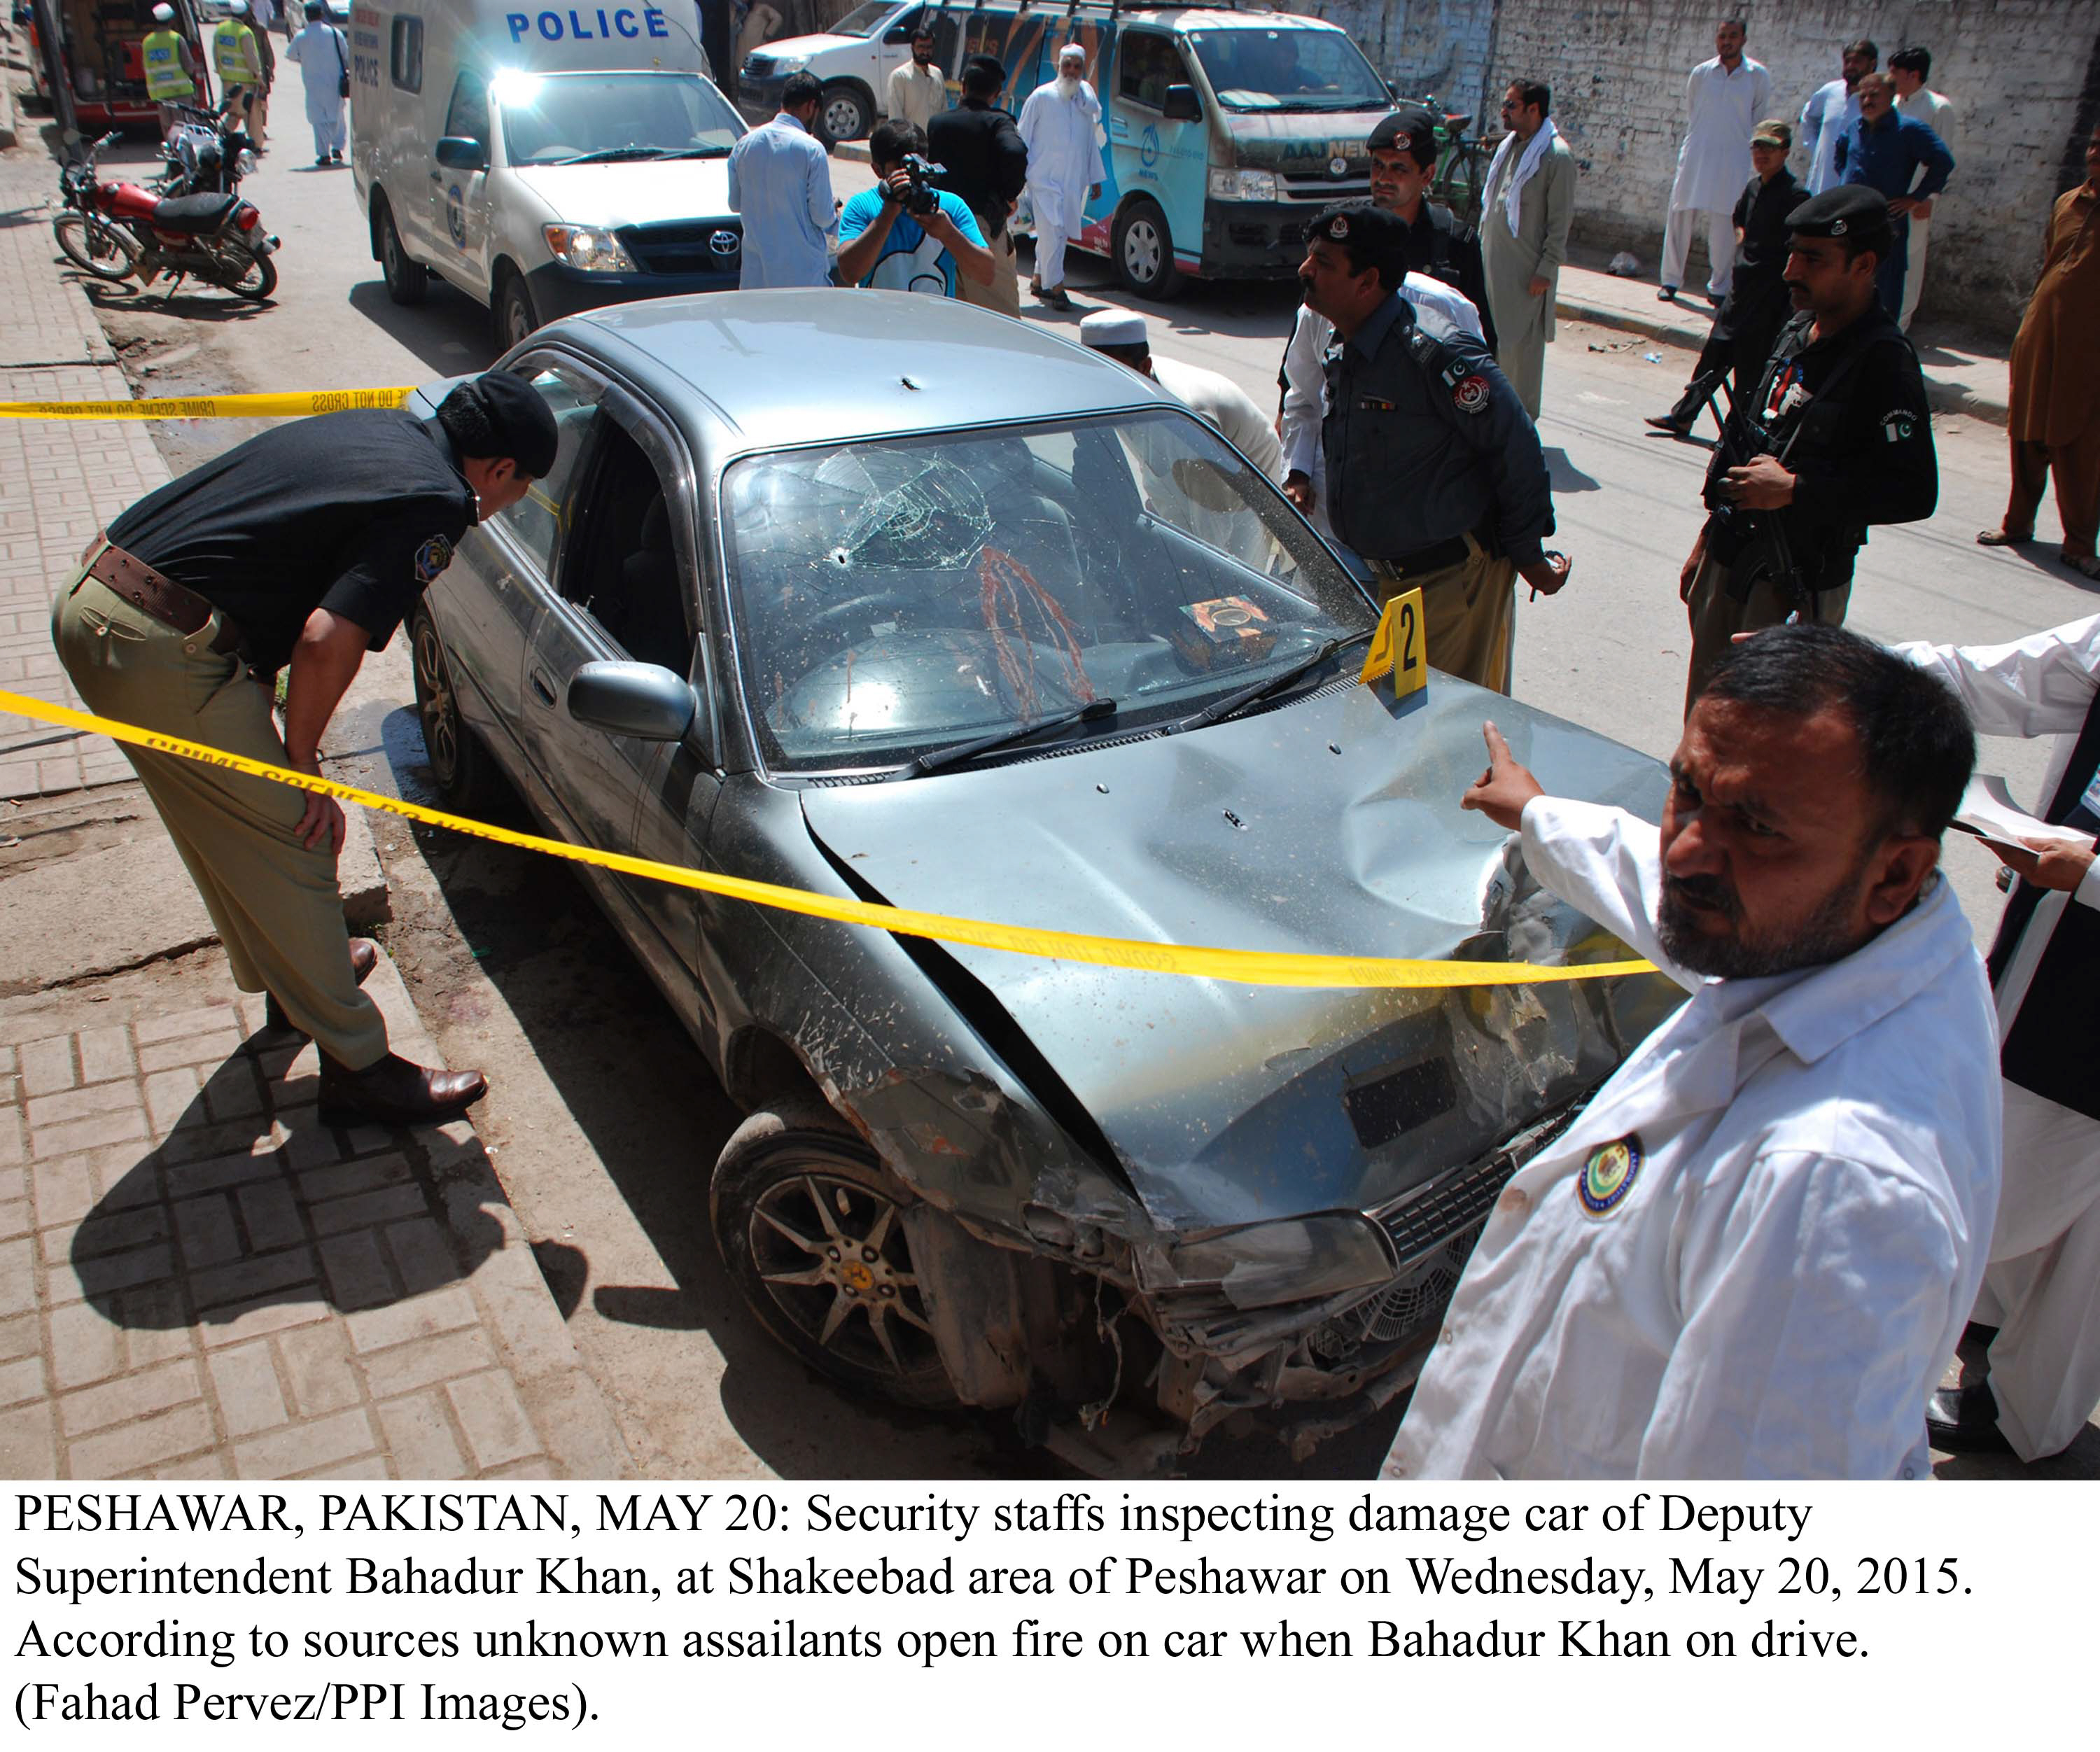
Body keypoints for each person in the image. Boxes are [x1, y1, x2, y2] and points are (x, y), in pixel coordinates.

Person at [1384, 626, 1996, 1480]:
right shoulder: (1863, 935)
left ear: (1895, 874)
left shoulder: (1825, 1194)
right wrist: (1537, 815)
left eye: (1755, 824)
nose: (1685, 849)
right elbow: (1661, 886)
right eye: (1688, 790)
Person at [49, 374, 558, 1126]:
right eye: (517, 492)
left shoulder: (381, 429)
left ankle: (294, 982)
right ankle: (360, 1068)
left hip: (105, 601)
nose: (504, 507)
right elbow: (327, 639)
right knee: (297, 833)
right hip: (159, 642)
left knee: (223, 825)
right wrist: (305, 761)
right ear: (499, 470)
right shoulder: (439, 500)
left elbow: (274, 554)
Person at [1894, 617, 2100, 1463]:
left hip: (2081, 981)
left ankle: (2027, 1417)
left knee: (2039, 1215)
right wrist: (1852, 661)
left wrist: (2087, 873)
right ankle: (2003, 1358)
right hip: (2053, 955)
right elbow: (1997, 679)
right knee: (2004, 1162)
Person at [1679, 187, 1935, 710]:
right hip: (1731, 560)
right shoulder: (1797, 326)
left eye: (1813, 259)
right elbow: (1746, 430)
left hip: (1794, 583)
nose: (1791, 271)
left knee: (1764, 746)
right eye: (1792, 253)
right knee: (1706, 724)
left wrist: (1798, 490)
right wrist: (1707, 539)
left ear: (1863, 264)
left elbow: (1914, 491)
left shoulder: (1883, 362)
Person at [1298, 204, 1567, 694]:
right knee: (1394, 727)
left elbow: (1516, 444)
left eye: (1324, 262)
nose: (1306, 270)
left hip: (1447, 584)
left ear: (1367, 282)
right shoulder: (1345, 347)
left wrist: (1529, 553)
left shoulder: (1434, 352)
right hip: (1393, 586)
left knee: (1441, 738)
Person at [1278, 106, 1493, 528]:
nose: (1384, 179)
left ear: (1427, 176)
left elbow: (1482, 352)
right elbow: (1306, 348)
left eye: (1399, 169)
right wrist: (1296, 457)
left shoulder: (1453, 246)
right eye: (1378, 167)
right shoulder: (1345, 233)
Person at [1977, 125, 2100, 580]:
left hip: (2088, 349)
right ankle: (2018, 524)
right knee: (2027, 433)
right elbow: (2052, 260)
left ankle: (2080, 544)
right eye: (2093, 145)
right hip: (2040, 336)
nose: (2095, 154)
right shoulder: (2067, 203)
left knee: (2081, 444)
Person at [1646, 118, 1805, 435]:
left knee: (1750, 369)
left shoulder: (1796, 196)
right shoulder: (1753, 188)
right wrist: (1743, 244)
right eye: (1758, 147)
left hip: (1767, 299)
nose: (1762, 154)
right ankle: (1684, 415)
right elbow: (1739, 220)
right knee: (1714, 357)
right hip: (1739, 293)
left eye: (1770, 148)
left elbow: (1799, 246)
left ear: (1785, 152)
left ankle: (1737, 433)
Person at [1078, 309, 1283, 480]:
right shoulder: (1121, 386)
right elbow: (1156, 469)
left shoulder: (1183, 414)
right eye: (1095, 372)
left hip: (1248, 480)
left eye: (1114, 374)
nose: (1103, 385)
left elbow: (1212, 508)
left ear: (1144, 366)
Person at [1478, 78, 1575, 419]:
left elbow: (1560, 222)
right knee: (1495, 346)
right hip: (1494, 265)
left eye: (1511, 106)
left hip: (1526, 273)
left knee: (1522, 352)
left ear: (1534, 110)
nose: (1503, 112)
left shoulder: (1555, 156)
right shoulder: (1509, 148)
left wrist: (1547, 269)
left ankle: (1520, 422)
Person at [1659, 17, 1771, 304]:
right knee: (1680, 215)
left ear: (1743, 39)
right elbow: (1692, 110)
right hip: (1697, 152)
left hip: (1733, 158)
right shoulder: (1701, 73)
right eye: (1722, 36)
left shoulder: (1757, 76)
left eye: (1733, 36)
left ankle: (1719, 287)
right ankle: (1670, 281)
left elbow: (1757, 118)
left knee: (1725, 224)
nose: (1726, 42)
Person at [1835, 72, 1953, 318]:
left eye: (1874, 95)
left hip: (1886, 224)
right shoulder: (1854, 128)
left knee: (1882, 294)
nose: (1867, 101)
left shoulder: (1909, 130)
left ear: (1891, 96)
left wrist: (1917, 197)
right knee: (1846, 287)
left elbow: (1942, 161)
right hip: (1851, 224)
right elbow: (1841, 156)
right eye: (1863, 96)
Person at [836, 118, 993, 297]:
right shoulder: (863, 206)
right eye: (902, 171)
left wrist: (948, 233)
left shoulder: (951, 207)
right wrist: (888, 214)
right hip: (881, 321)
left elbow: (986, 275)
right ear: (878, 170)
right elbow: (850, 273)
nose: (913, 178)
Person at [930, 55, 1029, 318]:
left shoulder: (938, 123)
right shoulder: (999, 122)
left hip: (940, 226)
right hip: (980, 228)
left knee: (956, 313)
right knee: (1001, 319)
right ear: (996, 94)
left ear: (963, 86)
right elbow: (1016, 152)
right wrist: (1009, 194)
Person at [726, 70, 836, 289]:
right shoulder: (812, 149)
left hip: (756, 280)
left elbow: (735, 204)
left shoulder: (744, 145)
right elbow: (823, 217)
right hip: (802, 279)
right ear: (811, 107)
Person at [1017, 44, 1104, 311]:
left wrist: (1095, 179)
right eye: (1067, 65)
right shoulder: (1041, 97)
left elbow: (1090, 143)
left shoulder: (1084, 105)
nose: (1071, 71)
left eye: (1077, 66)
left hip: (1072, 181)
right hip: (1042, 179)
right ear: (1059, 66)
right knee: (1052, 231)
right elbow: (1022, 136)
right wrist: (1017, 174)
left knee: (1058, 232)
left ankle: (1039, 277)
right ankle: (1056, 288)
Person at [1889, 46, 1959, 330]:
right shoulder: (1892, 105)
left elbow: (1944, 155)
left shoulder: (1938, 108)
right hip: (1890, 198)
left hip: (1916, 200)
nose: (1890, 79)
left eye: (1895, 73)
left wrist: (1927, 198)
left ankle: (1900, 329)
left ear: (1913, 74)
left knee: (1910, 265)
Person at [1800, 38, 1876, 196]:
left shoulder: (1877, 99)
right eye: (1847, 61)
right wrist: (1816, 148)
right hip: (1822, 180)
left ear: (1872, 64)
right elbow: (1809, 116)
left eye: (1857, 62)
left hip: (1855, 185)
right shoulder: (1831, 91)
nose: (1850, 67)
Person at [284, 1, 348, 167]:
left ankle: (324, 154)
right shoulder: (334, 33)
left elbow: (290, 55)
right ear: (322, 14)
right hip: (335, 82)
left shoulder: (301, 36)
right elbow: (346, 56)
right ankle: (338, 148)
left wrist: (304, 58)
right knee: (337, 116)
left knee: (319, 119)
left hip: (313, 84)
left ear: (307, 16)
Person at [213, 0, 267, 152]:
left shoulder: (220, 29)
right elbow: (252, 60)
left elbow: (216, 54)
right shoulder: (244, 32)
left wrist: (221, 71)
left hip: (228, 81)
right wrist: (260, 80)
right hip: (246, 82)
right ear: (245, 14)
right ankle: (256, 145)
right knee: (252, 116)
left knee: (233, 113)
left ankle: (221, 140)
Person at [141, 2, 201, 139]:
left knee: (169, 129)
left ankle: (173, 155)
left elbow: (146, 66)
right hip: (180, 92)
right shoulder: (176, 39)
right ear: (172, 20)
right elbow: (189, 66)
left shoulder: (147, 42)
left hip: (160, 94)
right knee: (183, 128)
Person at [887, 27, 945, 131]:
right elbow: (896, 118)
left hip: (935, 141)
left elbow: (944, 111)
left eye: (929, 47)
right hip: (912, 143)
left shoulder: (937, 74)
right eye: (921, 47)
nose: (925, 52)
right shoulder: (900, 76)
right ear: (912, 47)